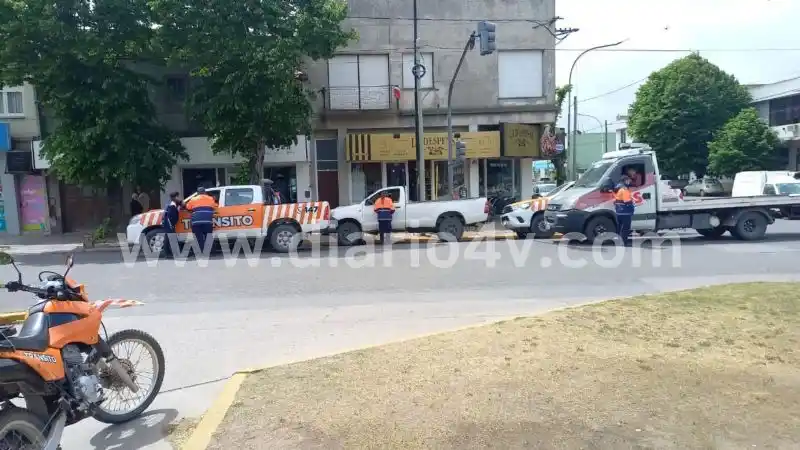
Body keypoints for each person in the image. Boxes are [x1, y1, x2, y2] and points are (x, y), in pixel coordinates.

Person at [184, 186, 217, 257]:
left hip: (196, 222)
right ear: (205, 192)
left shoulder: (193, 199)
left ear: (197, 193)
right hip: (207, 221)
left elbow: (187, 207)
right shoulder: (210, 198)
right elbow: (214, 207)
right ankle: (209, 253)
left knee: (199, 238)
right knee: (208, 237)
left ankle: (201, 253)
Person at [614, 175, 635, 247]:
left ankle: (619, 242)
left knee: (620, 227)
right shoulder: (624, 189)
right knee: (626, 228)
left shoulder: (619, 189)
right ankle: (624, 242)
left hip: (619, 212)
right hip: (625, 212)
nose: (629, 182)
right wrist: (632, 203)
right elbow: (627, 201)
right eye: (628, 180)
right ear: (625, 181)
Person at [161, 192, 181, 258]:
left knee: (167, 239)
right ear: (175, 197)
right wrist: (177, 211)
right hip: (169, 224)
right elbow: (171, 216)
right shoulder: (172, 205)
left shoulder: (170, 204)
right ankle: (176, 254)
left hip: (167, 223)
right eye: (177, 196)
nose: (178, 198)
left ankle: (167, 254)